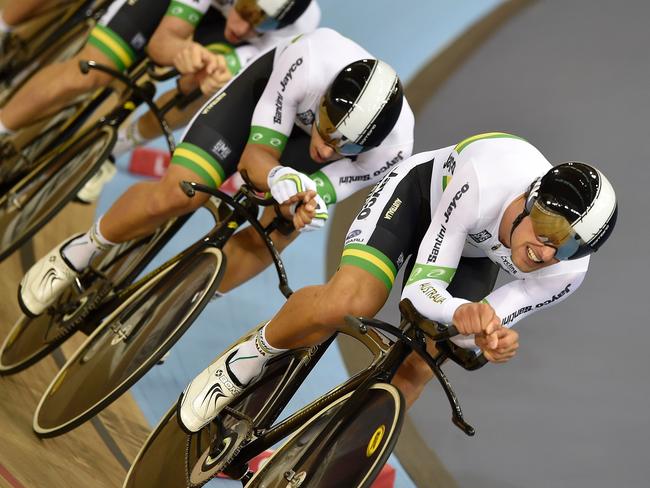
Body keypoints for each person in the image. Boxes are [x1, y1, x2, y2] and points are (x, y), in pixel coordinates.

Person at [176, 132, 618, 433]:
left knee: (424, 361)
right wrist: (459, 313)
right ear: (527, 202)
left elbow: (482, 323)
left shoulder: (566, 272)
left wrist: (487, 336)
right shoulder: (487, 179)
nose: (547, 254)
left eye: (567, 249)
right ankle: (250, 357)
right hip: (421, 199)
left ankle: (326, 450)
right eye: (545, 235)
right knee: (352, 300)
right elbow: (420, 291)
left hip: (471, 251)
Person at [17, 28, 415, 321]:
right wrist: (277, 177)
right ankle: (80, 251)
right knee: (179, 193)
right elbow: (255, 156)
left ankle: (175, 313)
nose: (327, 149)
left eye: (346, 147)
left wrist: (304, 203)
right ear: (324, 97)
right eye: (327, 129)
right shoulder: (309, 63)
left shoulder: (393, 150)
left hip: (304, 152)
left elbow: (318, 191)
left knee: (278, 230)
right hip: (259, 105)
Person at [0, 0, 320, 201]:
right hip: (180, 8)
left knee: (206, 87)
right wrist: (180, 51)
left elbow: (219, 77)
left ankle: (116, 148)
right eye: (246, 11)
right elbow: (163, 41)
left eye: (259, 23)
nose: (242, 27)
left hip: (226, 38)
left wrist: (202, 70)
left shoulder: (296, 32)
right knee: (91, 72)